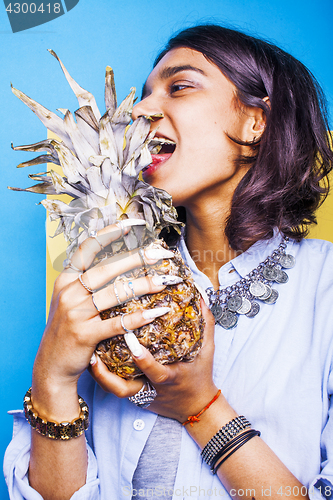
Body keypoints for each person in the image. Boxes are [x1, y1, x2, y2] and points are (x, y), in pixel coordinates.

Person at [4, 24, 333, 500]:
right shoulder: (110, 283)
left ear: (254, 122)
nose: (139, 111)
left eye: (180, 86)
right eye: (142, 95)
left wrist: (200, 406)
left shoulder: (324, 287)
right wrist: (52, 380)